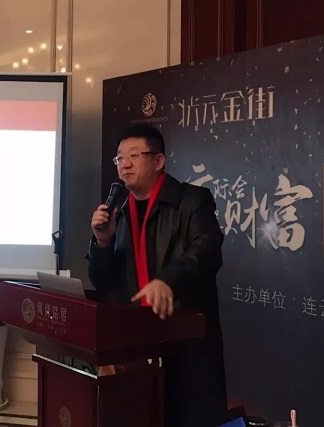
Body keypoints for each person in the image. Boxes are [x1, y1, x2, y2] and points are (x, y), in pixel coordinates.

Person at [87, 123, 227, 427]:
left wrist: (167, 281)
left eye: (134, 155)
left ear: (158, 160)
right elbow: (104, 281)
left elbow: (207, 251)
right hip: (136, 345)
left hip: (185, 344)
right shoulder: (121, 211)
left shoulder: (192, 201)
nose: (124, 164)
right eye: (120, 158)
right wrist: (102, 242)